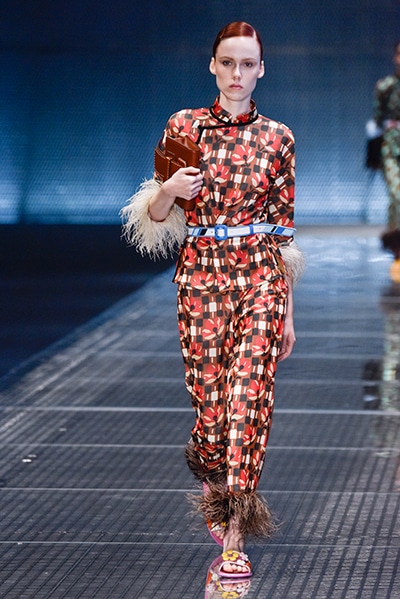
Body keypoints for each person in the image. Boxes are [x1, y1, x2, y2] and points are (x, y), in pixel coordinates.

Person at [121, 21, 304, 578]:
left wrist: (288, 312)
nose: (237, 74)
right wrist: (169, 190)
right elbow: (156, 217)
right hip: (201, 278)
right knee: (212, 411)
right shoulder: (184, 126)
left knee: (248, 401)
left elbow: (283, 234)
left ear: (261, 69)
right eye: (228, 62)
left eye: (247, 64)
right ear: (213, 66)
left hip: (260, 278)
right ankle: (210, 466)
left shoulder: (279, 138)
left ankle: (234, 537)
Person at [373, 42, 400, 276]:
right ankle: (396, 245)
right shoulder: (385, 86)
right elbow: (377, 119)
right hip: (392, 145)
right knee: (396, 193)